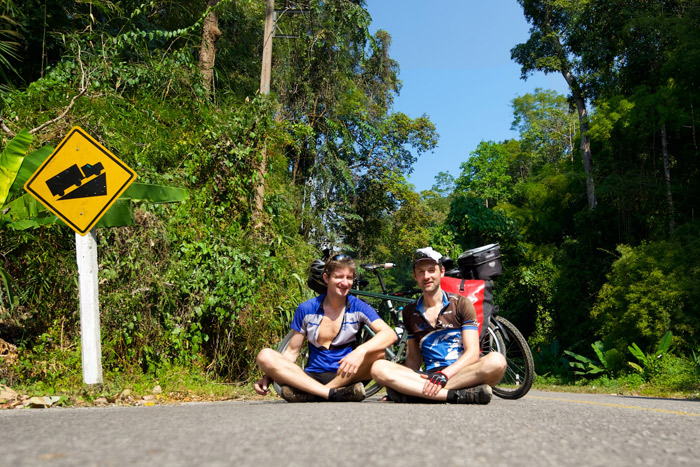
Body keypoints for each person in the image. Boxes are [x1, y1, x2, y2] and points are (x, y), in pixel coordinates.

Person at [370, 247, 507, 404]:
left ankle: (415, 394)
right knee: (378, 367)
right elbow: (414, 358)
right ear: (415, 276)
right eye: (421, 272)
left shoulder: (461, 304)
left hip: (462, 374)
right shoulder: (409, 312)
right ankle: (454, 395)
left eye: (431, 270)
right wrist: (403, 377)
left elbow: (472, 353)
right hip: (429, 376)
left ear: (441, 272)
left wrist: (443, 375)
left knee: (497, 361)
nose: (426, 276)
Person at [254, 254, 397, 402]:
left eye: (349, 278)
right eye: (339, 277)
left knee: (379, 354)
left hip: (346, 375)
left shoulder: (358, 306)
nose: (345, 282)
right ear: (326, 278)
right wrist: (268, 377)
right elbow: (292, 352)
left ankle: (314, 393)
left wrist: (360, 352)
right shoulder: (306, 309)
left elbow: (389, 334)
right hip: (312, 375)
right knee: (265, 356)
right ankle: (331, 393)